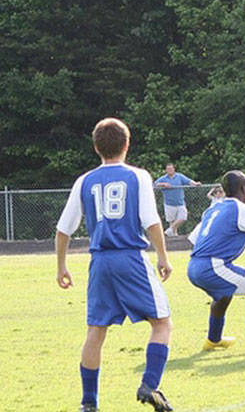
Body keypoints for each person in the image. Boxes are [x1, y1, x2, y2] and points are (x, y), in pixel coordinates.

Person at [55, 118, 173, 412]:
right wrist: (163, 256)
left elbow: (63, 230)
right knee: (162, 323)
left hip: (99, 262)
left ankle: (88, 403)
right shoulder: (138, 176)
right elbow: (152, 221)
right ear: (127, 144)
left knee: (96, 331)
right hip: (130, 257)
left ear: (96, 147)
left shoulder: (84, 181)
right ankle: (149, 385)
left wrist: (61, 266)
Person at [187, 170, 245, 354]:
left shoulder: (213, 208)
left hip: (193, 266)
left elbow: (193, 239)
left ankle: (213, 340)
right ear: (242, 188)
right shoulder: (242, 209)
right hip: (212, 266)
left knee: (223, 294)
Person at [154, 163, 200, 236]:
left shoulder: (179, 176)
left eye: (171, 169)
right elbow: (155, 184)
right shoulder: (163, 178)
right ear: (166, 170)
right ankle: (174, 238)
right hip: (169, 203)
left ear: (174, 169)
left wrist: (195, 183)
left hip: (180, 202)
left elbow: (188, 181)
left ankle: (169, 230)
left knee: (183, 217)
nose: (170, 170)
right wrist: (163, 184)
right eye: (168, 169)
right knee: (171, 221)